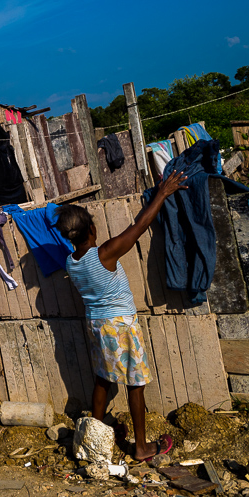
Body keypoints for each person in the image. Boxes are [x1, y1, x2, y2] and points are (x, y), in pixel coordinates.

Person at [55, 170, 188, 462]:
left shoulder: (71, 262)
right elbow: (141, 225)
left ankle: (94, 438)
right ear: (91, 229)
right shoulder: (104, 253)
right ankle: (141, 448)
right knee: (135, 384)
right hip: (120, 326)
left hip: (96, 326)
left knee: (103, 380)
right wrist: (162, 193)